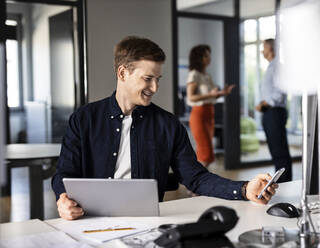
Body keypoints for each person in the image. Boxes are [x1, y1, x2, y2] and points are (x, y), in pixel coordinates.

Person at [52, 36, 278, 220]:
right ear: (122, 73)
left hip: (146, 224)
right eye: (148, 78)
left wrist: (245, 189)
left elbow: (196, 178)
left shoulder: (168, 125)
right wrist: (63, 198)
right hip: (88, 221)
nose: (155, 87)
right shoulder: (83, 119)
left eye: (158, 79)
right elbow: (64, 173)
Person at [186, 45, 234, 167]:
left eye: (209, 55)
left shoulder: (207, 76)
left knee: (205, 152)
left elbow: (211, 96)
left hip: (209, 113)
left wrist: (221, 93)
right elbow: (191, 97)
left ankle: (198, 181)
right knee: (205, 153)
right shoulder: (194, 74)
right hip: (199, 114)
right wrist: (210, 94)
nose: (209, 58)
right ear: (199, 58)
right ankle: (197, 181)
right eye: (206, 55)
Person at [255, 38, 292, 183]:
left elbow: (279, 92)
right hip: (270, 112)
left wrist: (265, 103)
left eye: (264, 47)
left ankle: (285, 182)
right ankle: (282, 181)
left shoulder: (278, 67)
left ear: (271, 49)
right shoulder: (272, 66)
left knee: (280, 151)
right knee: (276, 151)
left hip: (274, 112)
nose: (262, 50)